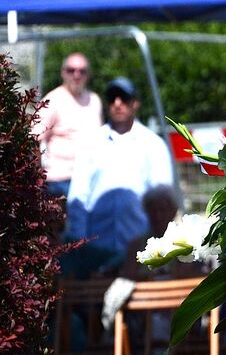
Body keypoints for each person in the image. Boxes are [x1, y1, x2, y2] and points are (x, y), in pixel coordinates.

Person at [67, 77, 175, 274]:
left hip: (140, 253)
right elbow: (78, 198)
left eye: (123, 98)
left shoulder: (153, 145)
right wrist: (80, 245)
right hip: (96, 253)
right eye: (112, 98)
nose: (117, 103)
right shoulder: (91, 143)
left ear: (135, 103)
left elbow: (163, 203)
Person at [33, 52, 103, 198]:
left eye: (82, 71)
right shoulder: (53, 100)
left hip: (91, 180)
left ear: (88, 75)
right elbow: (34, 139)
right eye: (71, 70)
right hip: (60, 182)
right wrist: (37, 177)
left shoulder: (94, 100)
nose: (76, 75)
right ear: (63, 72)